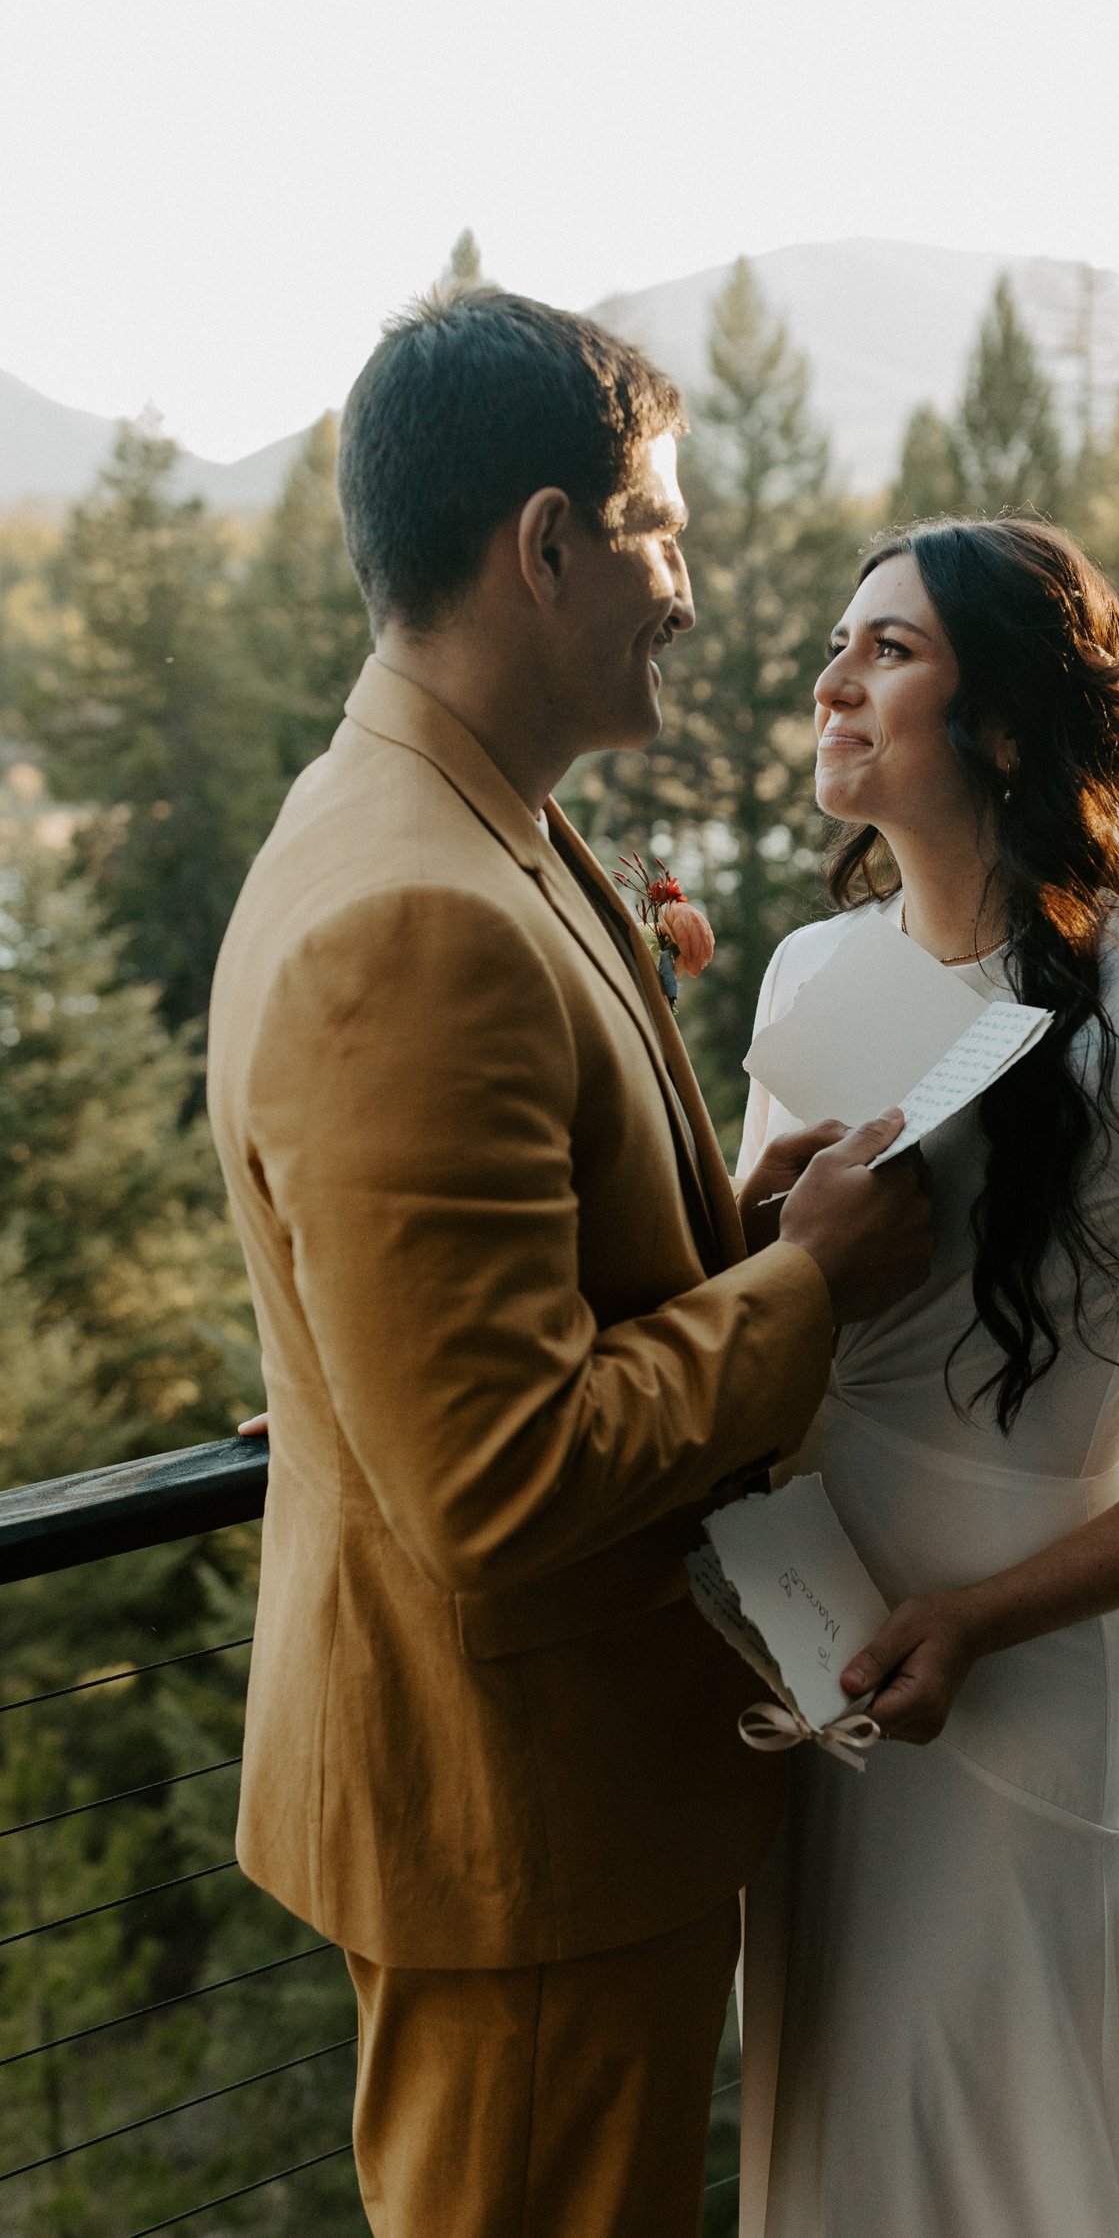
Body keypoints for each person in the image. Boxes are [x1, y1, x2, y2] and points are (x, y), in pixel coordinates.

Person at [206, 286, 934, 2238]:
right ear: (544, 546)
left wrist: (737, 1234)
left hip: (560, 1792)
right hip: (516, 1817)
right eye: (661, 529)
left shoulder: (467, 821)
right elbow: (499, 1470)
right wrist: (814, 1286)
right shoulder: (413, 911)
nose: (688, 584)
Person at [735, 518, 1119, 2238]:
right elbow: (744, 1305)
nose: (830, 679)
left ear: (1005, 726)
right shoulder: (810, 977)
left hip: (1008, 1666)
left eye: (890, 651)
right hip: (812, 1638)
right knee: (842, 2111)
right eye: (839, 642)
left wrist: (983, 1620)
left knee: (992, 2105)